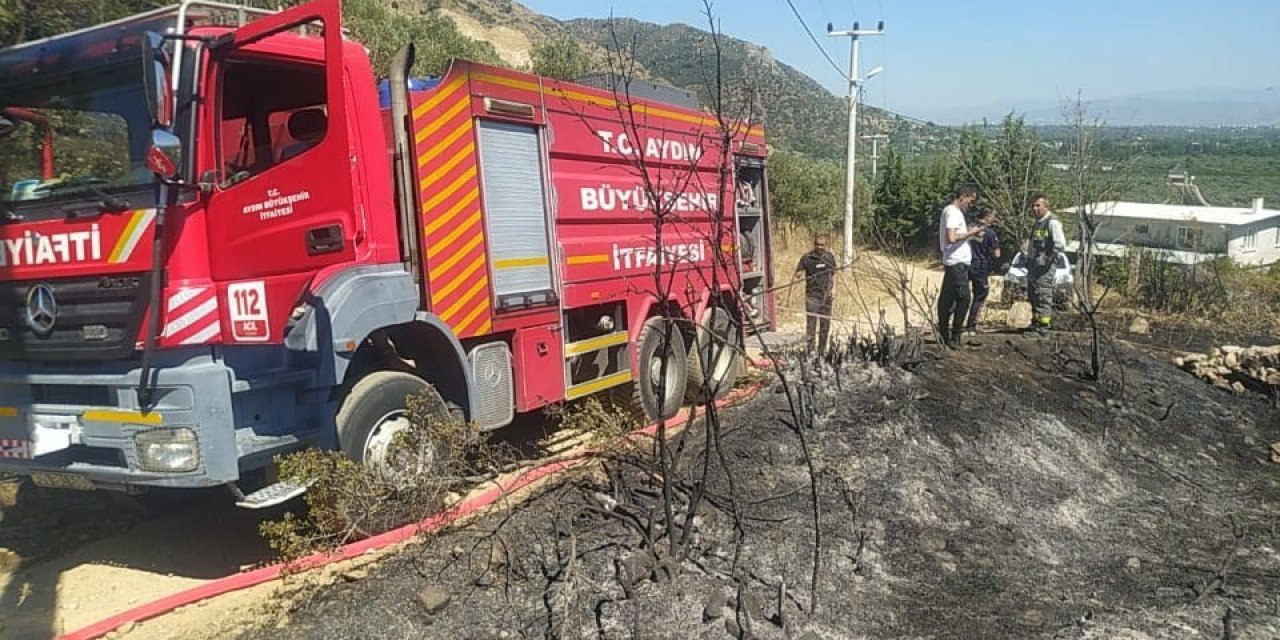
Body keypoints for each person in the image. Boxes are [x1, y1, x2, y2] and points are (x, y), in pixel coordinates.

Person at [936, 184, 984, 348]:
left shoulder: (952, 212)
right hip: (956, 262)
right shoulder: (953, 212)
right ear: (963, 196)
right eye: (971, 200)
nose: (970, 204)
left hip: (956, 262)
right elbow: (952, 237)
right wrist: (971, 233)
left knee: (947, 299)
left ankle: (943, 333)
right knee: (964, 297)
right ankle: (955, 335)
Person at [1024, 194, 1067, 337]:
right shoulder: (1038, 222)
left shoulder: (1052, 222)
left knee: (1043, 296)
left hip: (1045, 269)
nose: (1034, 208)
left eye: (1038, 205)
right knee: (1034, 295)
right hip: (1034, 267)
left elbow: (1060, 244)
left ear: (1046, 206)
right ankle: (1035, 325)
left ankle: (1043, 329)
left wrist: (1048, 260)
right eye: (1033, 206)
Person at [791, 233, 837, 355]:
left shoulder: (829, 257)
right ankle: (810, 350)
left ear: (825, 245)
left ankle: (821, 351)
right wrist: (792, 291)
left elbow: (833, 274)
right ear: (814, 244)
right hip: (812, 297)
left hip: (826, 297)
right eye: (817, 244)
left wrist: (834, 289)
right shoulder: (807, 258)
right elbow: (797, 274)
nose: (820, 247)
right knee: (811, 325)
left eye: (822, 245)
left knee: (825, 325)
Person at [965, 206, 1001, 333]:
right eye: (993, 216)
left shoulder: (969, 228)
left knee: (961, 294)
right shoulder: (990, 233)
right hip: (980, 265)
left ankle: (953, 323)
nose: (994, 219)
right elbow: (997, 254)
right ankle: (971, 325)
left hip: (965, 264)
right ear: (988, 216)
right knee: (980, 294)